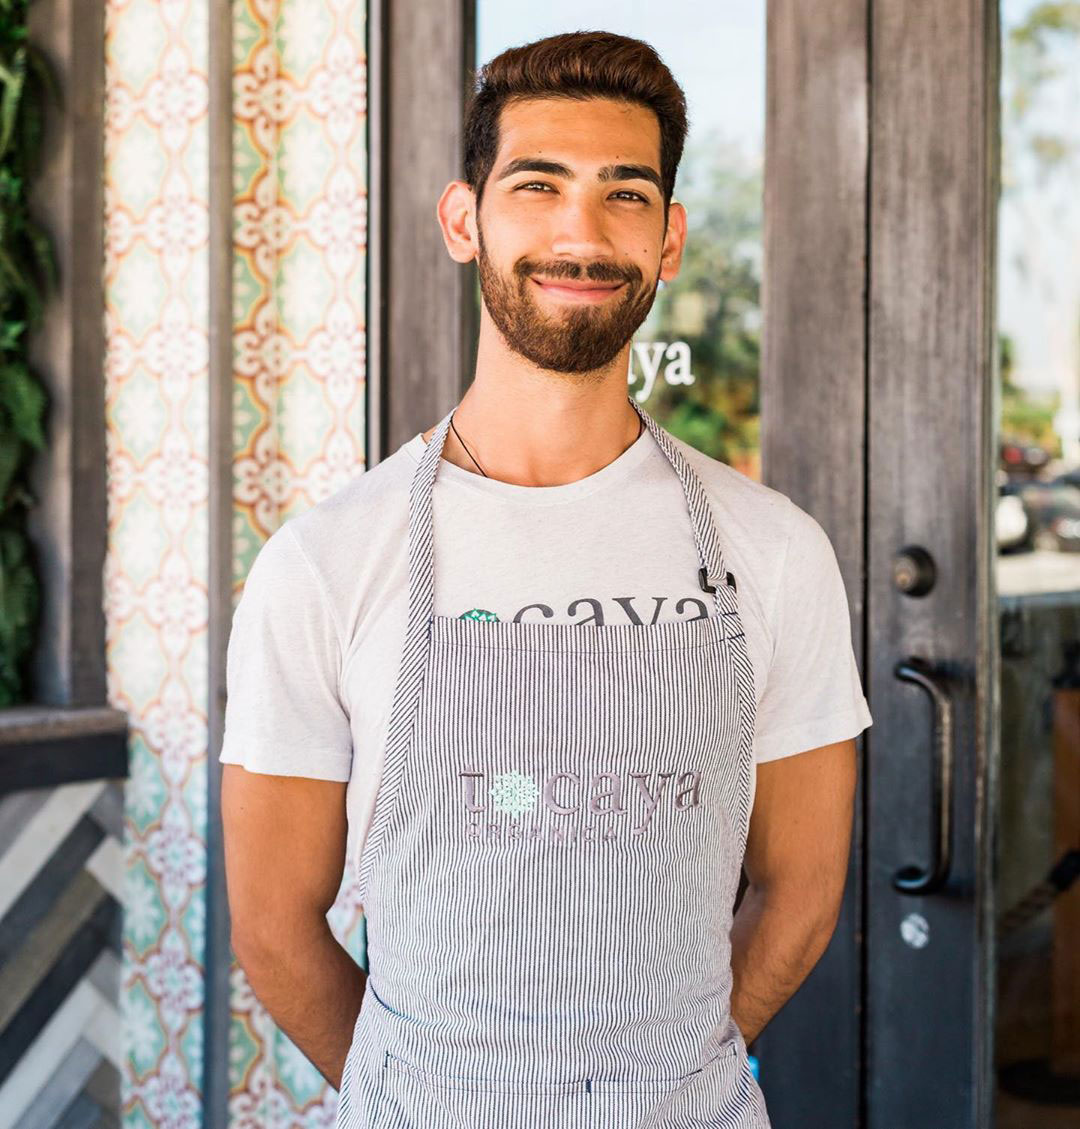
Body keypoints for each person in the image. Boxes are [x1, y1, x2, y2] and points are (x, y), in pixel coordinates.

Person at [219, 29, 872, 1129]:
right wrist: (424, 1100)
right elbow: (276, 926)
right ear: (464, 221)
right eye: (538, 185)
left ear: (667, 242)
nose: (582, 231)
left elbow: (801, 890)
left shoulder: (774, 549)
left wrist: (672, 1079)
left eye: (626, 194)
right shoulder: (328, 560)